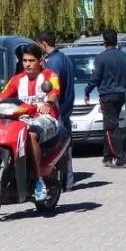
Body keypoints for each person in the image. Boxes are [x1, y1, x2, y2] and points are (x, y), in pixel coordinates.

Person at [0, 43, 61, 201]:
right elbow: (3, 95)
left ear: (40, 61)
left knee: (31, 133)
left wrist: (48, 104)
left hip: (46, 119)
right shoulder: (17, 79)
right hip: (23, 117)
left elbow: (54, 92)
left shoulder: (50, 76)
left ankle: (39, 181)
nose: (27, 64)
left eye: (31, 60)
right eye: (25, 60)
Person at [83, 29, 126, 168]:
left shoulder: (101, 58)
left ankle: (121, 158)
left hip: (107, 96)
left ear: (104, 41)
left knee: (112, 127)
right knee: (109, 126)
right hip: (120, 95)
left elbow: (95, 78)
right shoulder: (125, 57)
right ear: (116, 40)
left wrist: (87, 91)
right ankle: (107, 155)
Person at [38, 31, 75, 190]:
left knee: (57, 147)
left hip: (57, 110)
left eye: (39, 44)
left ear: (44, 43)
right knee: (66, 146)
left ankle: (60, 183)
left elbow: (53, 88)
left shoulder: (53, 62)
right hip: (65, 107)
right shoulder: (64, 58)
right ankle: (68, 181)